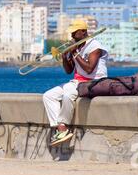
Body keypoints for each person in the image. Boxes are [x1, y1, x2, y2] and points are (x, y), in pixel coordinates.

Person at [42, 19, 109, 147]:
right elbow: (69, 71)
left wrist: (74, 52)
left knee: (68, 95)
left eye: (74, 33)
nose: (72, 36)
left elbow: (89, 68)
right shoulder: (78, 46)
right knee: (48, 96)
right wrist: (64, 57)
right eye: (71, 33)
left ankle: (62, 128)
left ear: (83, 32)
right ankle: (60, 129)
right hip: (77, 81)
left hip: (93, 82)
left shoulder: (95, 46)